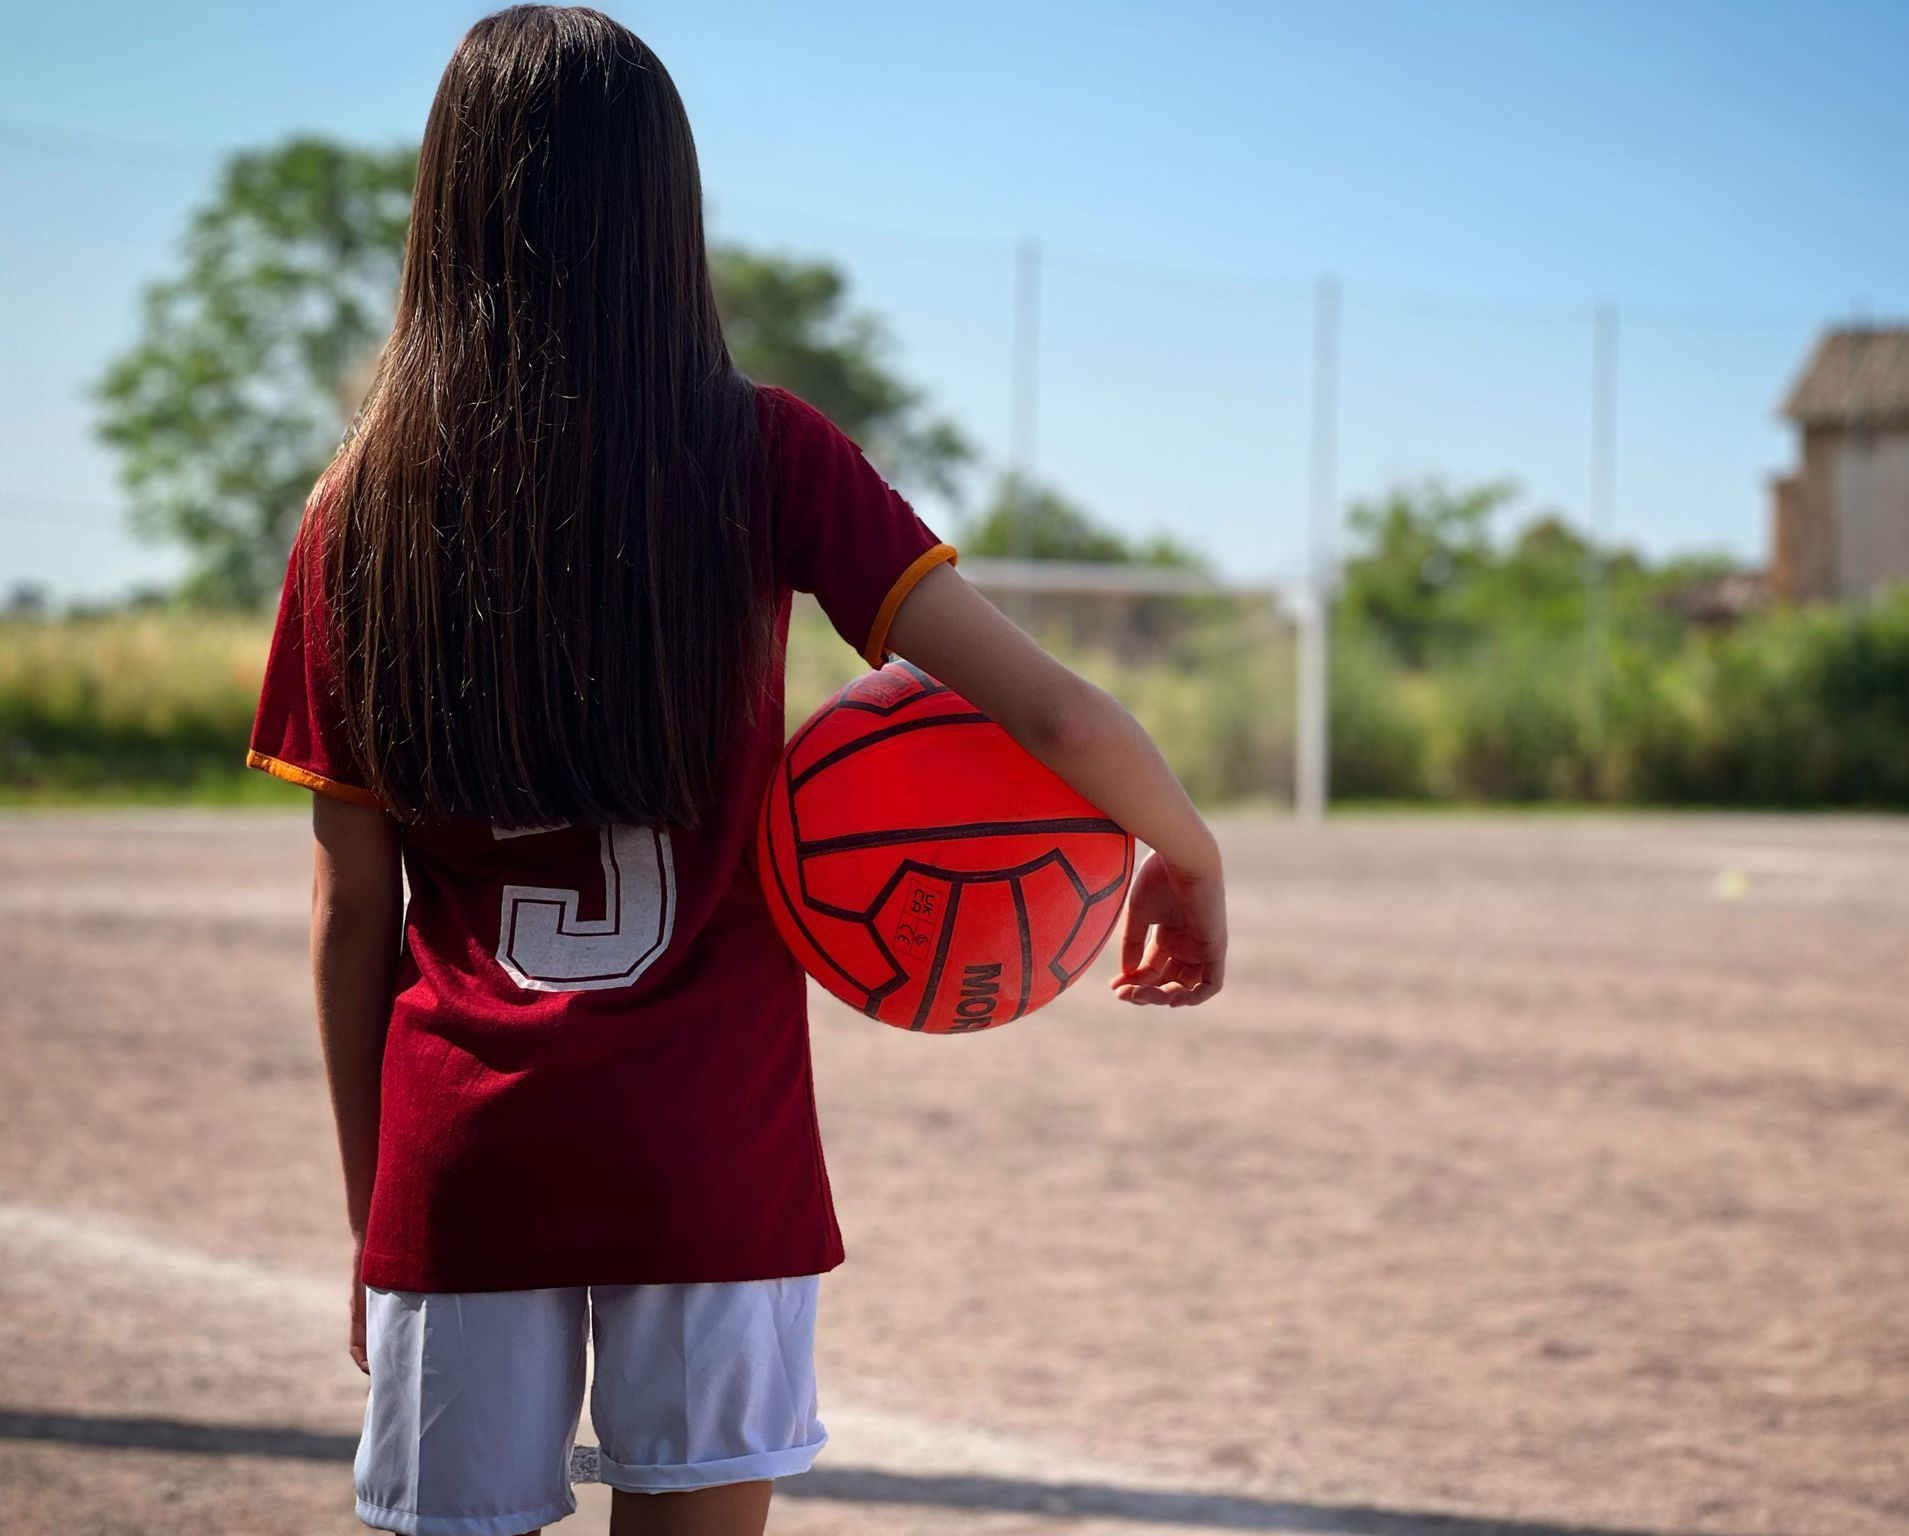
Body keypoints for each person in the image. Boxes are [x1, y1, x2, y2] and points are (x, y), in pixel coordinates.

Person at [247, 7, 1226, 1535]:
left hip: (466, 1148)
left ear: (444, 210)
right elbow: (1058, 723)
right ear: (667, 210)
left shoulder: (356, 513)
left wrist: (375, 1213)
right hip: (713, 1146)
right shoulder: (762, 452)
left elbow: (349, 912)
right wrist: (1188, 849)